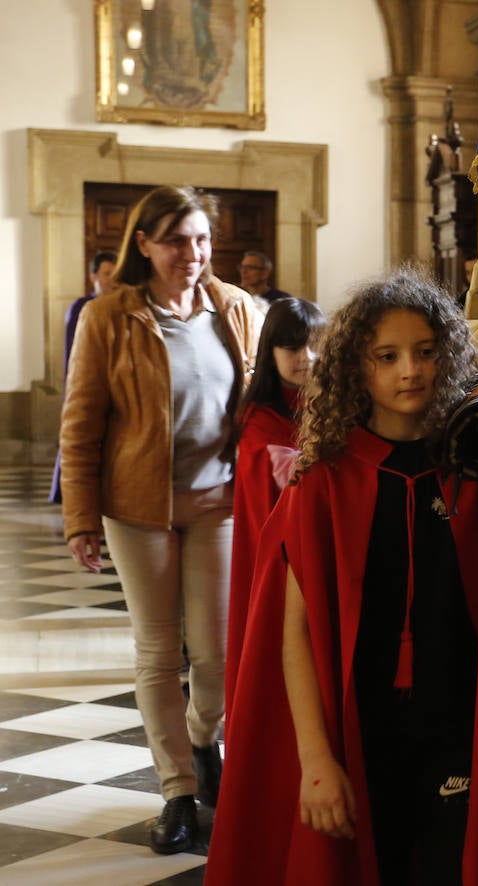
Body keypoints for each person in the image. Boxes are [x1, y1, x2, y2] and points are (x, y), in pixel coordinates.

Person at [205, 267, 478, 885]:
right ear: (356, 368)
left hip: (462, 720)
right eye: (387, 357)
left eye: (424, 353)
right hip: (363, 723)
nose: (409, 371)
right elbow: (295, 634)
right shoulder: (325, 484)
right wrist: (315, 759)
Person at [60, 185, 261, 853]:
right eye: (177, 239)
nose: (193, 253)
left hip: (219, 501)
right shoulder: (107, 316)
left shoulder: (235, 309)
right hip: (138, 507)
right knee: (156, 651)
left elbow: (271, 398)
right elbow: (81, 425)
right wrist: (81, 519)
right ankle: (176, 788)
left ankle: (205, 739)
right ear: (142, 244)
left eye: (201, 239)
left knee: (216, 654)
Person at [224, 297, 325, 724]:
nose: (305, 358)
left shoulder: (328, 401)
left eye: (313, 346)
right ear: (270, 352)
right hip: (278, 561)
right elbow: (270, 497)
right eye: (291, 347)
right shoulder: (259, 416)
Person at [49, 251, 117, 504]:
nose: (112, 280)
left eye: (115, 275)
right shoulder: (82, 307)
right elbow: (73, 353)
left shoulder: (123, 306)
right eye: (107, 274)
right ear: (93, 277)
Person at [238, 249, 293, 313]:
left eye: (250, 267)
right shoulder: (237, 297)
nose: (243, 271)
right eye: (242, 267)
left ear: (265, 273)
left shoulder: (282, 299)